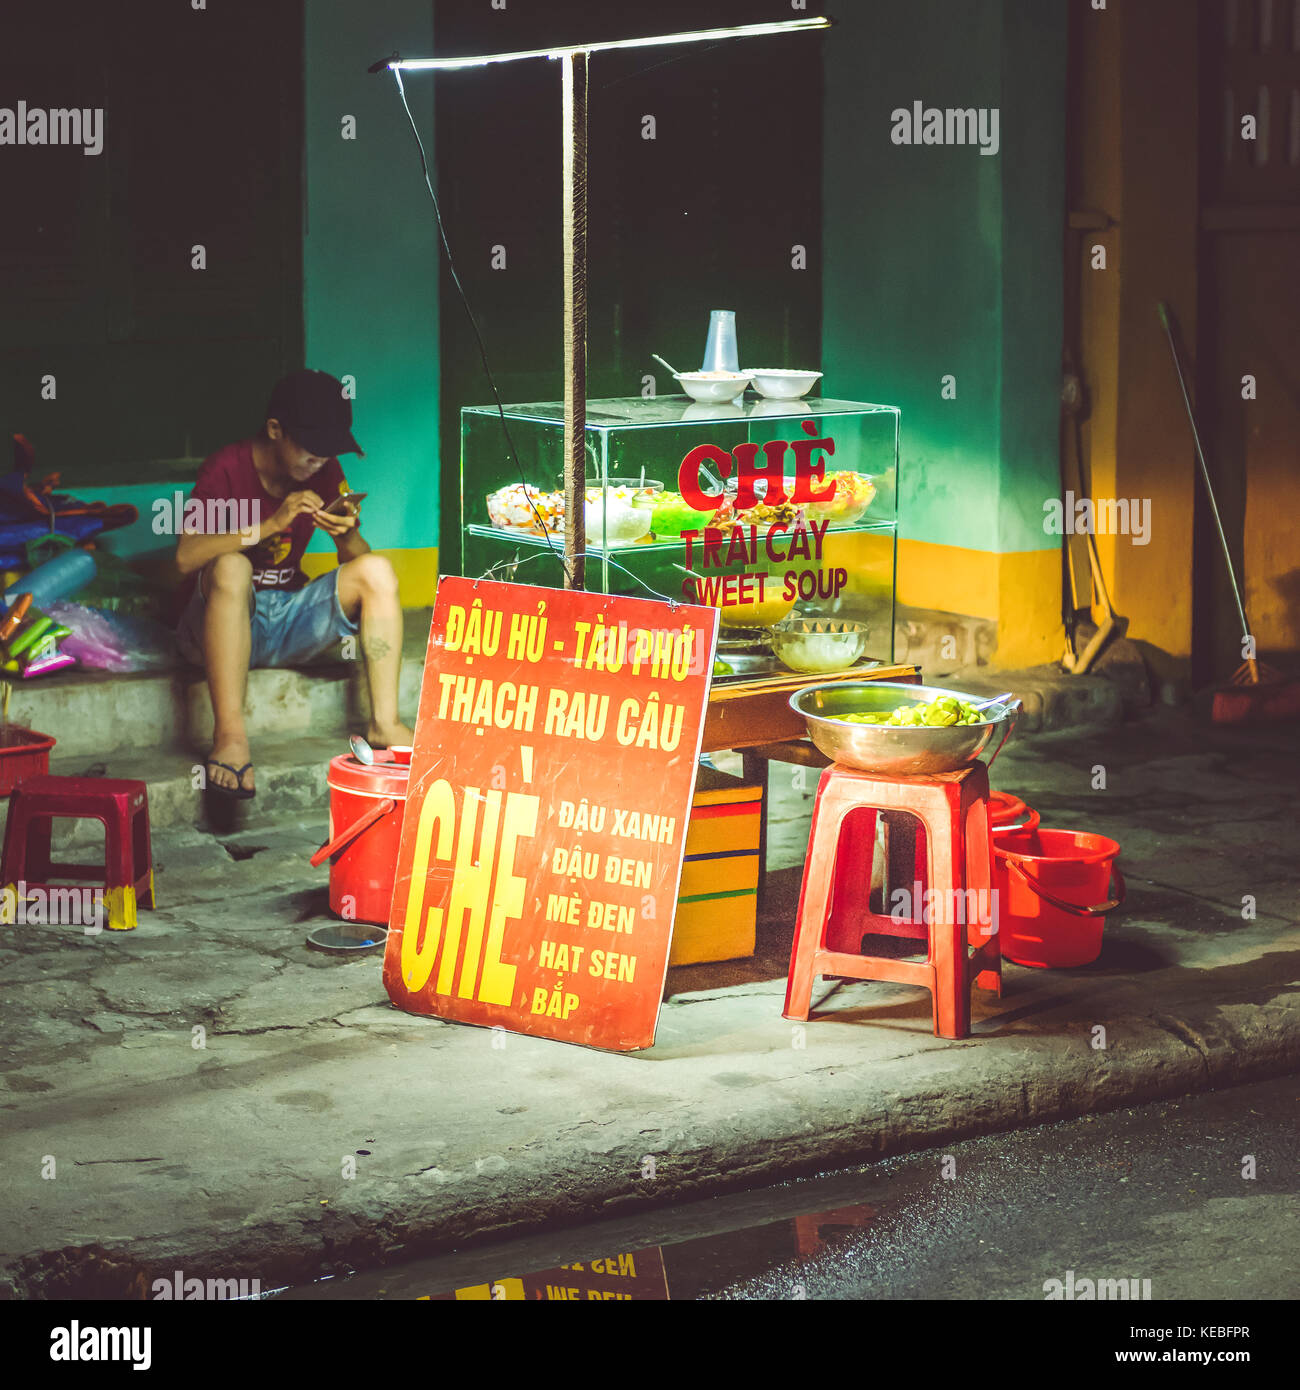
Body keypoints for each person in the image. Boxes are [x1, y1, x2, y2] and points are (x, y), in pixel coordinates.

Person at [175, 369, 414, 798]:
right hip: (218, 624)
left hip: (285, 619)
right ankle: (230, 737)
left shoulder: (323, 472)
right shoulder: (226, 468)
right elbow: (185, 558)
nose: (320, 461)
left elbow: (362, 569)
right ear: (275, 430)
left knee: (377, 570)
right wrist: (270, 524)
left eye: (329, 451)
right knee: (231, 568)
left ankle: (385, 723)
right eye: (312, 450)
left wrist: (345, 534)